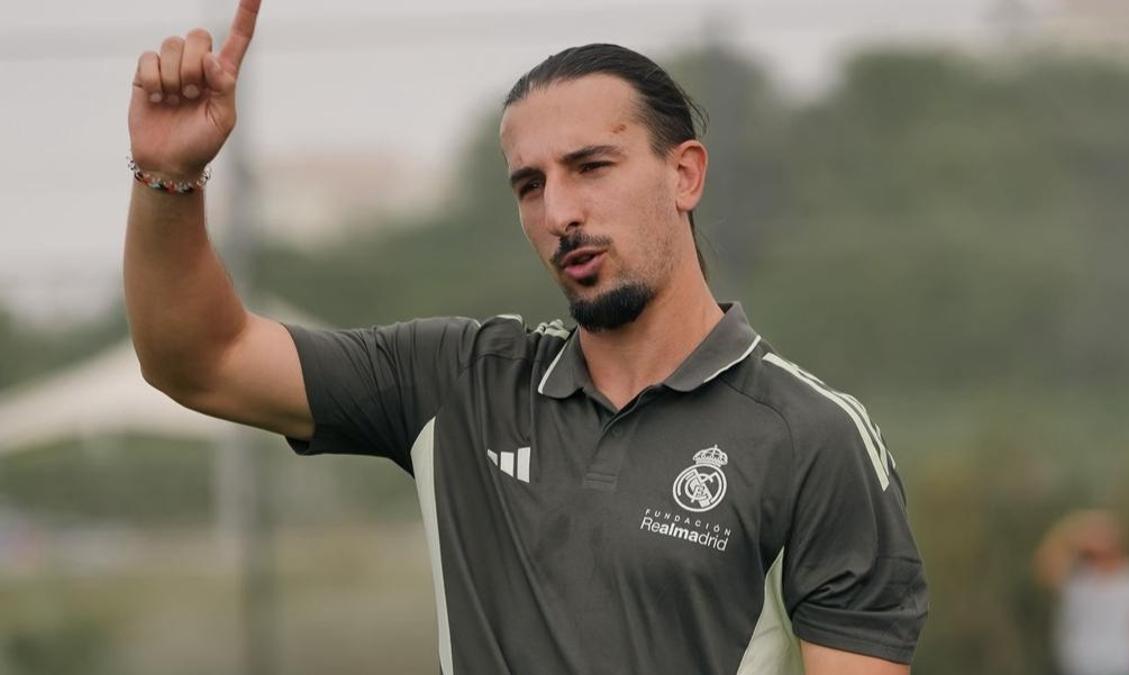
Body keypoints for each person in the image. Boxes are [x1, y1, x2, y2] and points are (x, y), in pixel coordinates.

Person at [124, 0, 928, 672]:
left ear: (684, 173)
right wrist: (170, 177)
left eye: (592, 167)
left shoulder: (812, 436)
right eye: (530, 184)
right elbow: (201, 359)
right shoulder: (457, 380)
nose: (558, 211)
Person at [1034, 510, 1129, 675]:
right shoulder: (1077, 579)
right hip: (1082, 667)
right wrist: (1072, 532)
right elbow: (1043, 566)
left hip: (1128, 666)